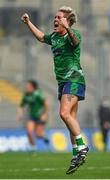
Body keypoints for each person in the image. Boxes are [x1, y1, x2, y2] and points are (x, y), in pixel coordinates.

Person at [21, 6, 89, 174]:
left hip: (73, 80)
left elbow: (75, 42)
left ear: (67, 21)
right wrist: (29, 23)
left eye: (59, 17)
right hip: (63, 83)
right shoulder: (55, 38)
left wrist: (67, 28)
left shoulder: (73, 34)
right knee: (70, 118)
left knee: (64, 114)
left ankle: (83, 146)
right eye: (55, 17)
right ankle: (76, 154)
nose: (55, 20)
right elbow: (41, 37)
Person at [17, 80, 49, 151]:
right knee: (29, 132)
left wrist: (45, 114)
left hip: (40, 116)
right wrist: (20, 114)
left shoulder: (38, 94)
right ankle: (33, 148)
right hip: (32, 116)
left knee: (38, 135)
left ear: (32, 87)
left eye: (28, 86)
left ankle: (44, 137)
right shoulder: (26, 95)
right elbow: (21, 105)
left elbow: (46, 103)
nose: (26, 87)